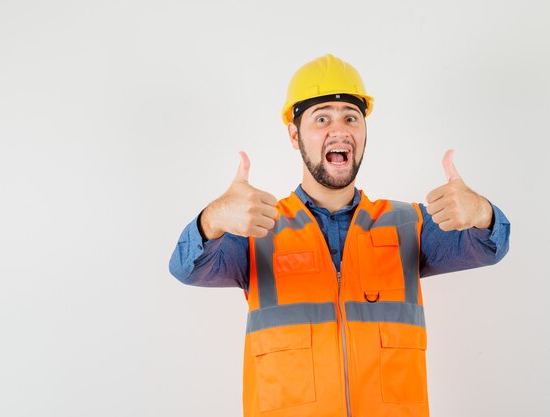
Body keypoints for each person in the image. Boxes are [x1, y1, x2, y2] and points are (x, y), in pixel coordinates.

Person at [169, 54, 510, 417]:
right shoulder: (256, 229)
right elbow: (187, 268)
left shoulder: (409, 225)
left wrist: (482, 212)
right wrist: (214, 217)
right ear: (294, 134)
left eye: (351, 116)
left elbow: (488, 247)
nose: (340, 129)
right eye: (321, 118)